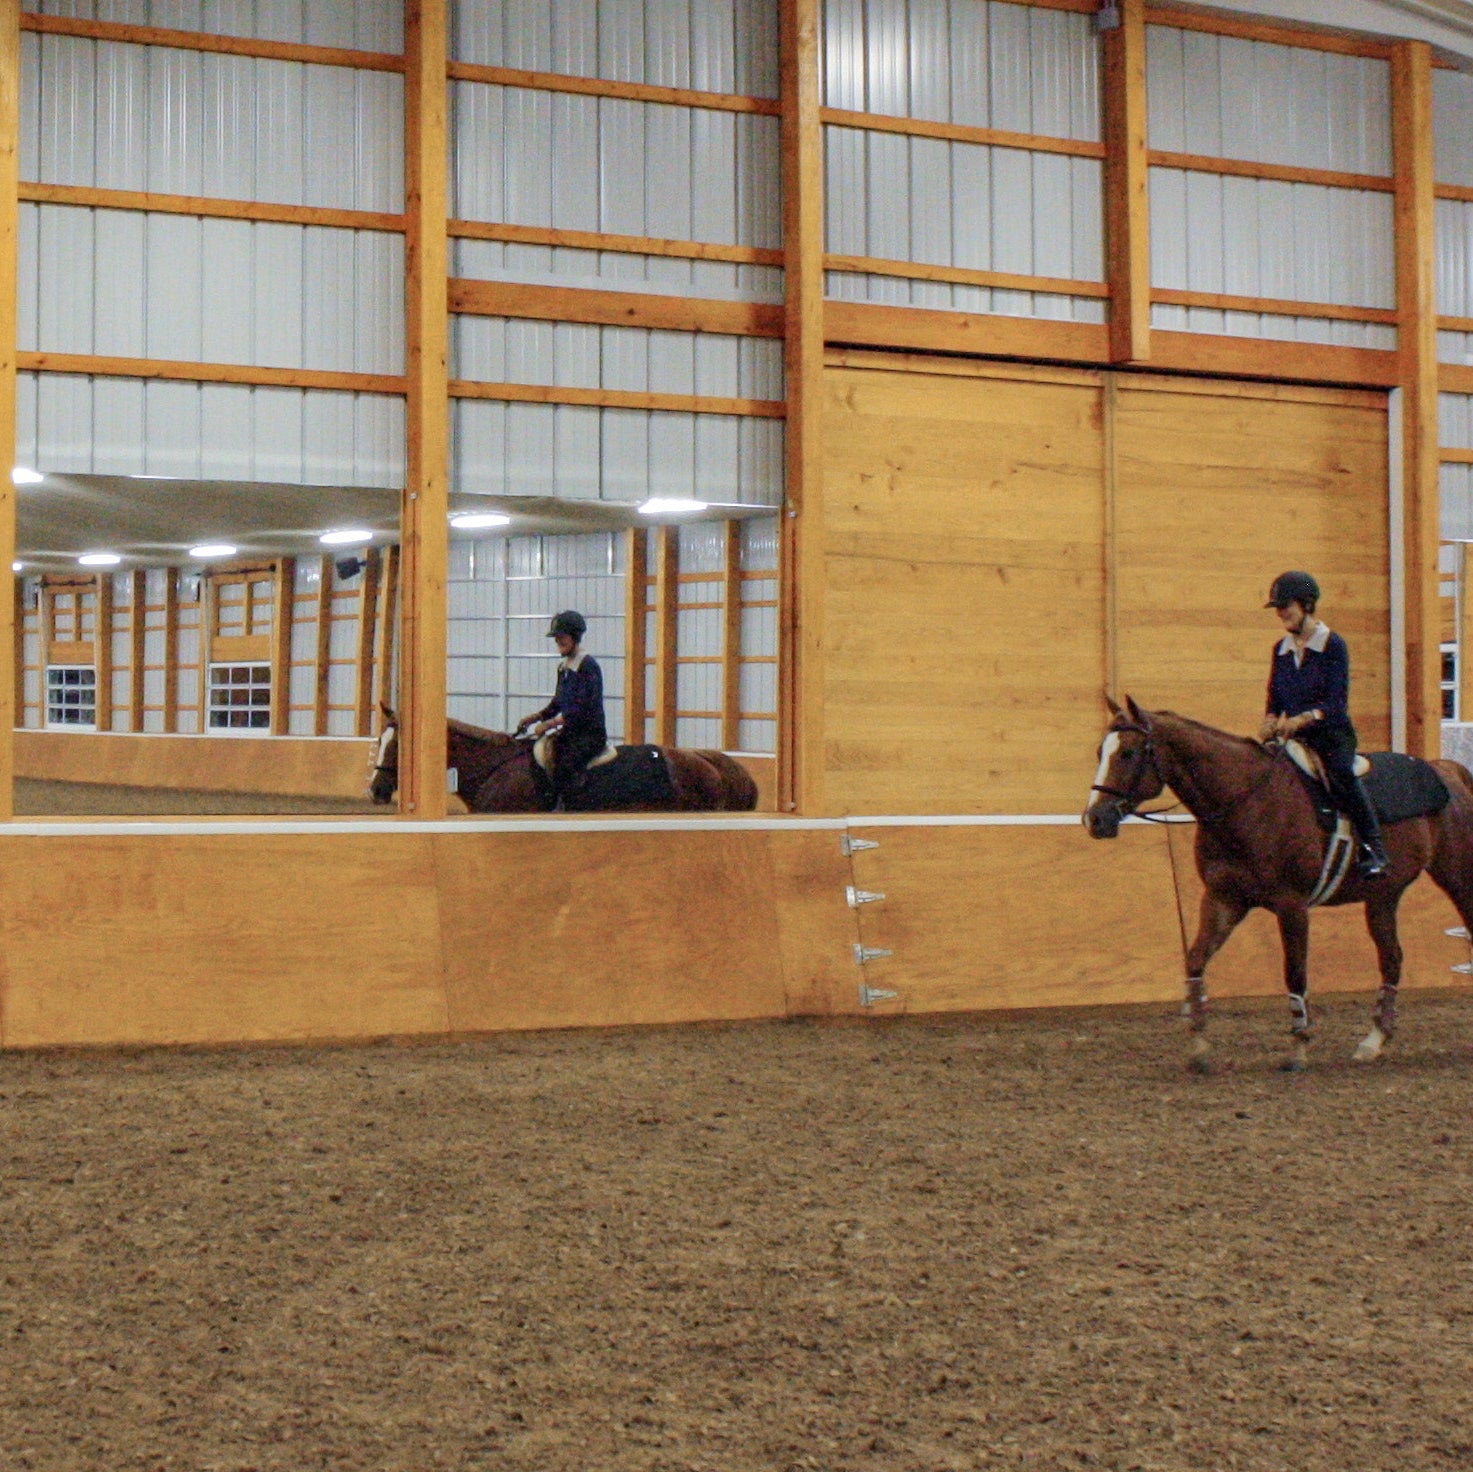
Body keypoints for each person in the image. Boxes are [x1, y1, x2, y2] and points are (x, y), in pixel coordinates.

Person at [1258, 570, 1389, 879]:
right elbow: (1274, 696)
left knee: (1342, 773)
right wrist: (1269, 720)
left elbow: (1335, 702)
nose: (1281, 614)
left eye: (1286, 606)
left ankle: (1374, 848)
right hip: (1293, 739)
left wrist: (1304, 718)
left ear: (1306, 605)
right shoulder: (1281, 649)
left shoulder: (1333, 646)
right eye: (1278, 608)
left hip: (1331, 735)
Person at [515, 610, 607, 806]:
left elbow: (583, 707)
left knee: (565, 764)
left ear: (574, 637)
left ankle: (572, 808)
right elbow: (559, 701)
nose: (558, 643)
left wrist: (551, 723)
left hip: (589, 735)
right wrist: (536, 717)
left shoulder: (587, 666)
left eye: (562, 638)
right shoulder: (564, 667)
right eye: (556, 639)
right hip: (570, 733)